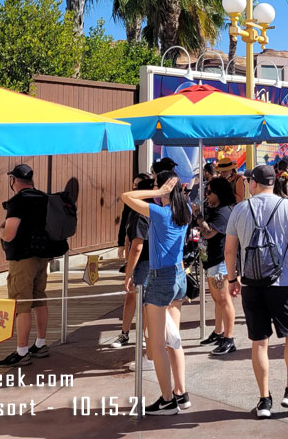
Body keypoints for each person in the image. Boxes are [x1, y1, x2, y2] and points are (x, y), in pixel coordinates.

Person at [225, 164, 288, 419]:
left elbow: (229, 250)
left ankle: (264, 400)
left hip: (251, 285)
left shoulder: (240, 209)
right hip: (283, 283)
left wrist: (232, 279)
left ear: (254, 184)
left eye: (249, 182)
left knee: (259, 341)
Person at [121, 171, 192, 414]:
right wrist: (166, 192)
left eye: (156, 185)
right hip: (178, 277)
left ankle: (167, 399)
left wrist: (156, 193)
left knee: (158, 344)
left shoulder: (161, 214)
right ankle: (181, 394)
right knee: (174, 341)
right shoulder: (186, 211)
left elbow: (126, 195)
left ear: (164, 189)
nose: (153, 189)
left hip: (161, 280)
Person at [0, 164, 62, 367]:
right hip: (44, 255)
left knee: (21, 302)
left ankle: (22, 351)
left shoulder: (18, 201)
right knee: (40, 297)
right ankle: (40, 344)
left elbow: (10, 232)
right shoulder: (44, 198)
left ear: (14, 181)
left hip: (23, 258)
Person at [110, 174, 156, 348]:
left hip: (145, 262)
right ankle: (126, 333)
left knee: (143, 302)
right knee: (136, 299)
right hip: (150, 262)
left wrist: (128, 272)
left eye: (137, 187)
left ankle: (145, 338)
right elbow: (130, 236)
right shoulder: (137, 210)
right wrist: (124, 247)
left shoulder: (146, 211)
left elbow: (137, 245)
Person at [198, 176, 238, 356]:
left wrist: (197, 216)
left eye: (209, 192)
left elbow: (208, 233)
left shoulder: (223, 213)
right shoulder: (218, 210)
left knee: (224, 300)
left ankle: (229, 338)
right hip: (212, 261)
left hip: (220, 262)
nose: (207, 196)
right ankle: (219, 331)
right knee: (217, 300)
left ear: (219, 193)